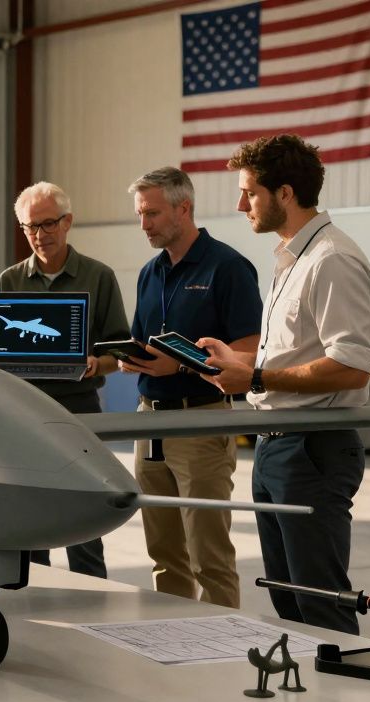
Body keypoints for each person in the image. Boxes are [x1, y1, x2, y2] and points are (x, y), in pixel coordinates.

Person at [198, 134, 370, 634]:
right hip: (277, 444)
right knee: (288, 598)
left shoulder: (331, 260)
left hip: (313, 448)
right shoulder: (290, 258)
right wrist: (236, 363)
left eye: (249, 192)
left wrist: (252, 376)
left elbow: (351, 365)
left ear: (284, 194)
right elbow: (295, 354)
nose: (240, 205)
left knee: (321, 600)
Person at [118, 166, 261, 607]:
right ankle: (173, 637)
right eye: (140, 214)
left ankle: (223, 644)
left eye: (153, 214)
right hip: (150, 422)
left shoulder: (229, 268)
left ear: (184, 208)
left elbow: (249, 349)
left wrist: (177, 369)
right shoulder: (149, 273)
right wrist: (134, 358)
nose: (144, 224)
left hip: (200, 421)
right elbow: (143, 340)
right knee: (163, 553)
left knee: (208, 555)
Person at [0, 181, 129, 579]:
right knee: (33, 514)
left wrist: (94, 364)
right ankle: (37, 595)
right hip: (26, 415)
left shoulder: (99, 277)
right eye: (30, 227)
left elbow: (119, 351)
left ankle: (93, 596)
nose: (40, 235)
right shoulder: (9, 282)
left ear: (68, 222)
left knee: (85, 512)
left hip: (80, 411)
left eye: (48, 224)